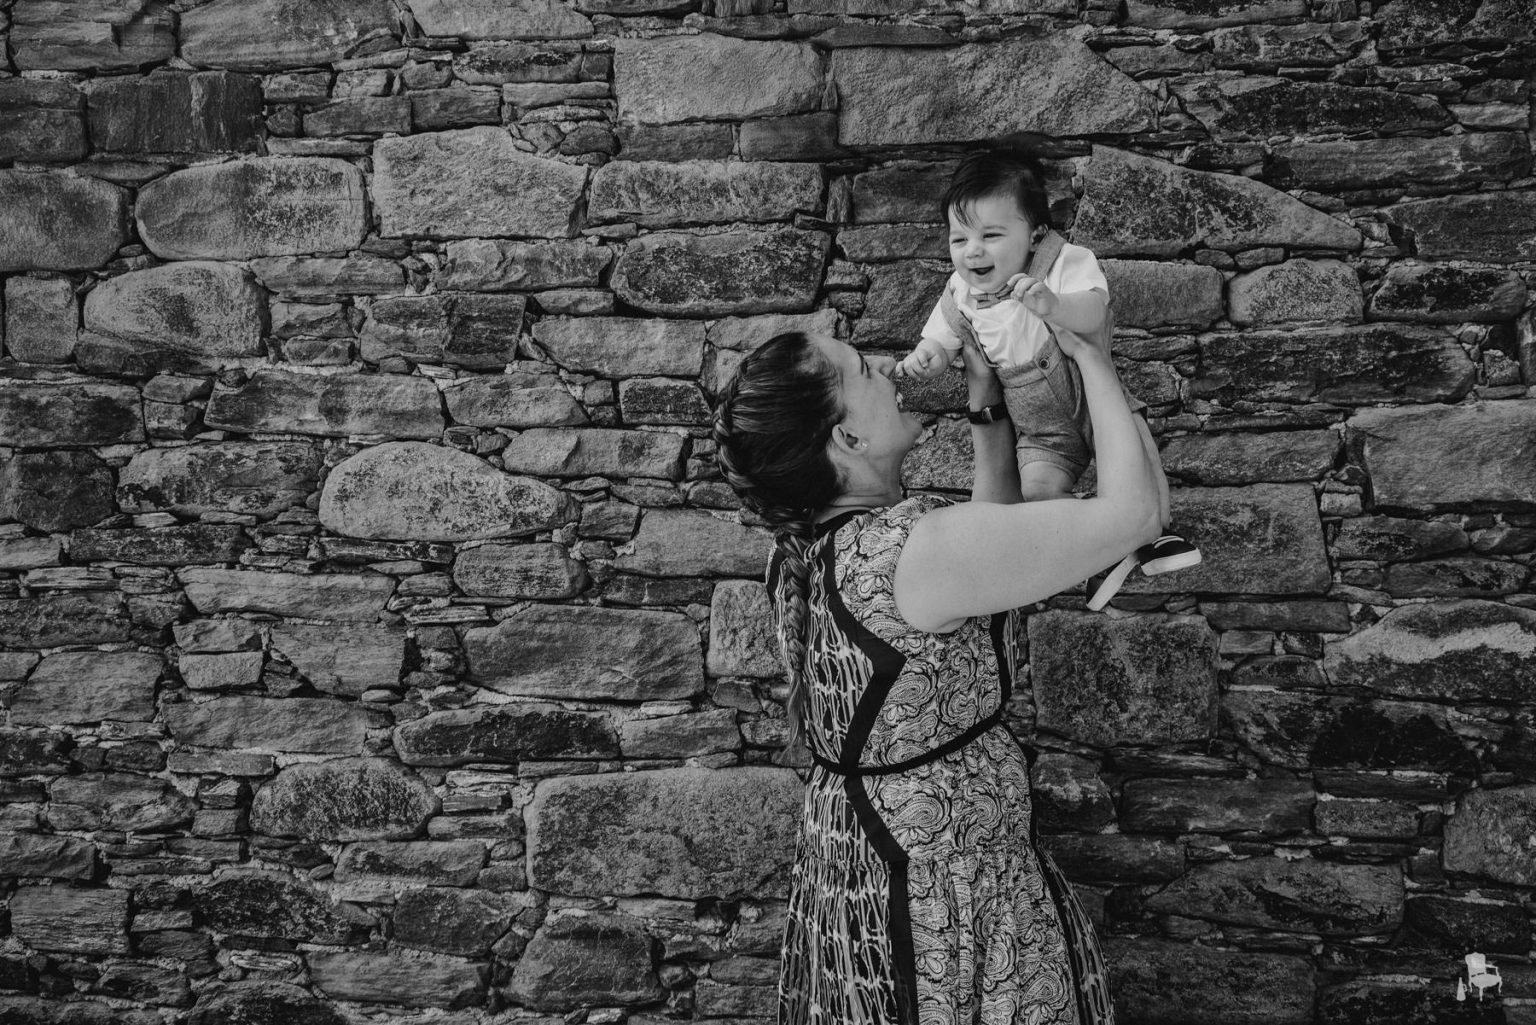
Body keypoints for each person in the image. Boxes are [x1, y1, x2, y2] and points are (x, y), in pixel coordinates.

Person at [710, 319, 1163, 1024]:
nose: (888, 367)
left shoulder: (814, 548)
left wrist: (986, 405)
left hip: (872, 869)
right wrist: (1094, 357)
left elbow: (987, 558)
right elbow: (1137, 515)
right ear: (848, 438)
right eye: (863, 369)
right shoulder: (911, 552)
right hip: (944, 888)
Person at [900, 149, 1199, 609]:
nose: (973, 250)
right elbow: (942, 340)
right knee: (1039, 493)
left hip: (1091, 399)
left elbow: (1095, 311)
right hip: (1039, 428)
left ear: (1035, 234)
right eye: (959, 239)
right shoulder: (959, 293)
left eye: (991, 235)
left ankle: (1158, 535)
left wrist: (1055, 306)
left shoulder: (1062, 263)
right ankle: (1099, 550)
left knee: (1141, 466)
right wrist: (929, 358)